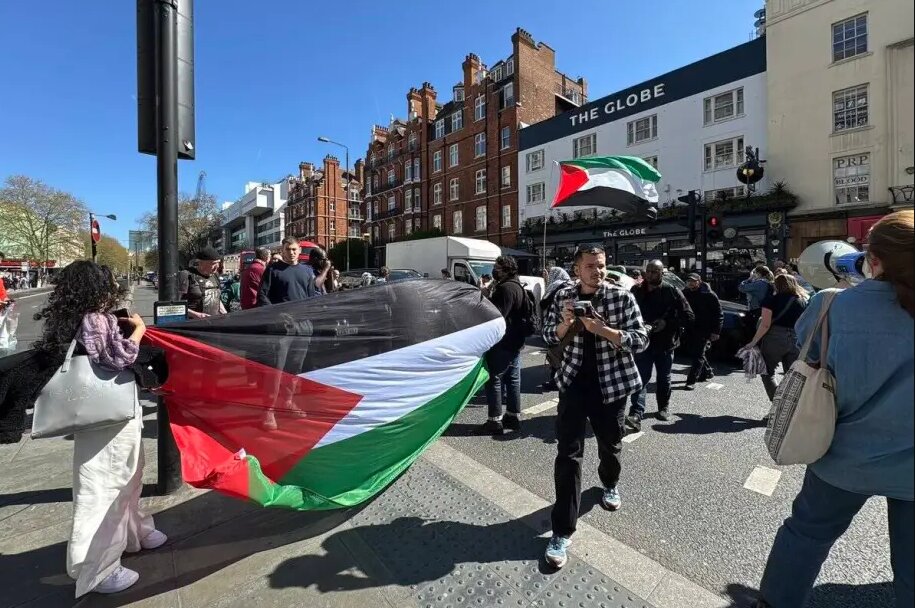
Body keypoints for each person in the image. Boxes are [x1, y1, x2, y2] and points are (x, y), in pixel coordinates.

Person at [756, 210, 914, 608]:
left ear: (872, 260)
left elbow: (809, 353)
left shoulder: (832, 305)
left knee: (806, 536)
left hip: (842, 456)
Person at [32, 261, 166, 597]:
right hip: (109, 416)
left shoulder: (73, 318)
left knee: (126, 477)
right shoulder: (95, 319)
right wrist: (137, 329)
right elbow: (119, 358)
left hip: (100, 412)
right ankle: (98, 569)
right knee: (106, 486)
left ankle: (134, 533)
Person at [541, 246, 648, 569]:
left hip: (611, 387)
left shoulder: (621, 297)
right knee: (568, 454)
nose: (597, 272)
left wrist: (602, 329)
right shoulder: (563, 297)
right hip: (573, 384)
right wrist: (564, 325)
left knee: (610, 445)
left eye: (600, 266)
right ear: (577, 269)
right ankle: (562, 529)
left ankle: (610, 483)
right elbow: (547, 334)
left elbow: (641, 339)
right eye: (590, 266)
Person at [625, 260, 694, 431]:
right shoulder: (636, 290)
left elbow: (689, 316)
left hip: (665, 343)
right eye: (648, 271)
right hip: (643, 342)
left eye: (654, 271)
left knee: (664, 378)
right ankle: (636, 413)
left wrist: (667, 323)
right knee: (640, 378)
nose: (650, 274)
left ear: (662, 273)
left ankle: (663, 407)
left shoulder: (672, 291)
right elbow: (627, 314)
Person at [479, 256, 527, 435]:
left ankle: (495, 420)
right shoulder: (517, 285)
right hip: (516, 340)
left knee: (494, 379)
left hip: (503, 341)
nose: (494, 270)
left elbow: (497, 316)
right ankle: (513, 416)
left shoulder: (506, 288)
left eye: (496, 268)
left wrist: (484, 298)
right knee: (513, 379)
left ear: (506, 270)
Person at [745, 274, 809, 402]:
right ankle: (790, 407)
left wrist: (753, 342)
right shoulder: (803, 300)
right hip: (796, 338)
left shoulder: (771, 300)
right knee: (791, 375)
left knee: (767, 372)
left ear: (776, 285)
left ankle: (776, 404)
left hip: (775, 337)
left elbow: (765, 324)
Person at [682, 273, 723, 389]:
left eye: (693, 281)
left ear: (699, 281)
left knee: (698, 354)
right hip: (690, 327)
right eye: (689, 281)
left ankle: (691, 381)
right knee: (694, 352)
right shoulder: (685, 293)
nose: (691, 283)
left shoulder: (708, 294)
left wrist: (716, 331)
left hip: (704, 328)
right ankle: (707, 371)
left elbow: (718, 313)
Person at [257, 237, 325, 305]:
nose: (291, 252)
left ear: (300, 250)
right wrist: (273, 312)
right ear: (282, 251)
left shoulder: (308, 271)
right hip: (280, 313)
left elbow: (312, 296)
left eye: (294, 249)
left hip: (303, 313)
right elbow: (262, 295)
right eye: (288, 249)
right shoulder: (272, 270)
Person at [178, 247, 226, 319]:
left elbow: (216, 298)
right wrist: (196, 315)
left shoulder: (215, 275)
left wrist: (224, 312)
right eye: (213, 263)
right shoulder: (186, 275)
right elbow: (175, 305)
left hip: (214, 323)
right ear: (200, 263)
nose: (217, 267)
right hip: (194, 324)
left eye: (218, 263)